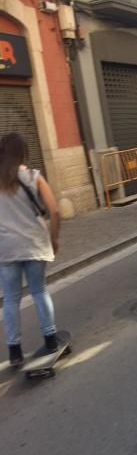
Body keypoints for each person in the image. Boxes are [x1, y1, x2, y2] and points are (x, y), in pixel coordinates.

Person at [0, 132, 61, 368]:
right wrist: (54, 238)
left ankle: (14, 351)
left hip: (6, 249)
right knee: (39, 291)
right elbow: (54, 211)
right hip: (34, 243)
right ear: (23, 151)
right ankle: (50, 338)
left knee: (11, 299)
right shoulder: (34, 177)